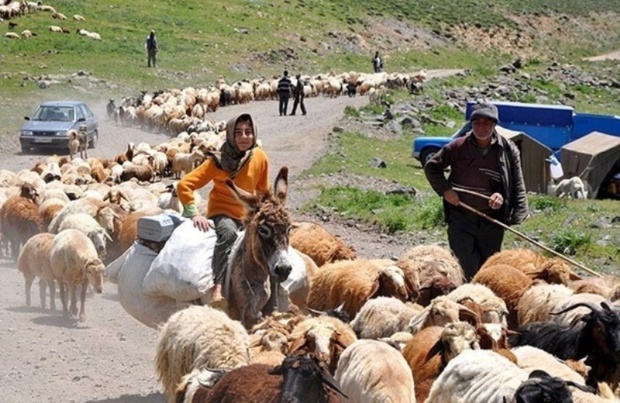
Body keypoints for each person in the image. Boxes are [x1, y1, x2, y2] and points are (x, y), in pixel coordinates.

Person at [423, 101, 528, 280]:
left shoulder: (508, 150)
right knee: (466, 264)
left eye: (487, 123)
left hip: (491, 219)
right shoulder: (457, 146)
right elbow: (432, 167)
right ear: (471, 124)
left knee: (488, 265)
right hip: (461, 216)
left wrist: (501, 195)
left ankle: (483, 301)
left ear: (495, 125)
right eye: (477, 123)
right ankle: (466, 299)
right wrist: (447, 190)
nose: (481, 127)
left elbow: (515, 181)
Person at [177, 114, 270, 310]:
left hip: (247, 215)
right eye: (238, 133)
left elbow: (262, 190)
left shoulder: (260, 157)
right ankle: (217, 287)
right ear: (229, 135)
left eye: (248, 132)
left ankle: (274, 300)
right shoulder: (217, 162)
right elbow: (185, 184)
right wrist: (194, 213)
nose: (244, 137)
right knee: (227, 234)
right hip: (222, 213)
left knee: (271, 240)